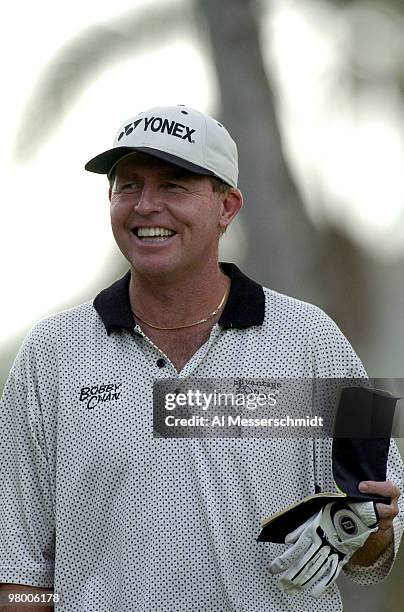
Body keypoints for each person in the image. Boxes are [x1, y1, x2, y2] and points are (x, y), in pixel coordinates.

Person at [0, 105, 402, 612]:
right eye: (129, 185)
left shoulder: (310, 338)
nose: (147, 205)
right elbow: (16, 569)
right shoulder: (51, 355)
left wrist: (372, 527)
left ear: (227, 207)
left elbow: (375, 541)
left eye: (173, 186)